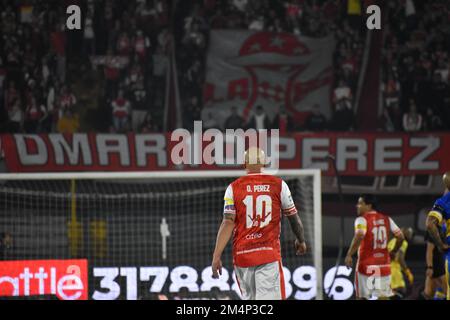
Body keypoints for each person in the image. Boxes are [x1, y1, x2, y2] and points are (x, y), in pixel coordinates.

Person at [211, 147, 307, 300]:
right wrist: (301, 240)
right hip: (267, 254)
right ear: (264, 163)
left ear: (244, 164)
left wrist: (216, 256)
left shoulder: (233, 188)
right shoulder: (279, 185)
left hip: (242, 257)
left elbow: (227, 222)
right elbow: (293, 217)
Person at [345, 194, 405, 300]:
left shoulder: (362, 219)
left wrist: (349, 254)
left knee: (362, 297)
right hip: (383, 265)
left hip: (366, 265)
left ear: (369, 205)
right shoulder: (387, 219)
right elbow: (400, 236)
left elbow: (359, 235)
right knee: (383, 297)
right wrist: (394, 251)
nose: (357, 206)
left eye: (360, 203)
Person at [425, 171, 450, 300]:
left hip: (445, 259)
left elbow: (429, 224)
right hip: (438, 264)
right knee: (430, 292)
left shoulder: (444, 202)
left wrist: (441, 244)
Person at [421, 223, 447, 300]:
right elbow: (429, 251)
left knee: (428, 293)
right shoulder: (433, 230)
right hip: (437, 266)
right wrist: (430, 267)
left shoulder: (443, 228)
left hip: (440, 263)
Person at [388, 227, 414, 299]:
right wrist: (407, 271)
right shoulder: (403, 242)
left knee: (393, 293)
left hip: (386, 270)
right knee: (401, 290)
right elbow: (400, 258)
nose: (410, 234)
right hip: (394, 269)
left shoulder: (392, 241)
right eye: (409, 232)